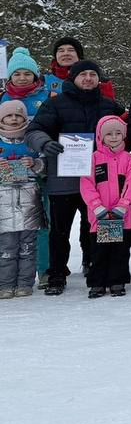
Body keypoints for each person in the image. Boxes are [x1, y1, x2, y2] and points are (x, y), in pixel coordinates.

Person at [26, 59, 125, 295]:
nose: (88, 78)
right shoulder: (55, 104)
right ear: (73, 79)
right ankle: (57, 274)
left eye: (93, 74)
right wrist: (46, 143)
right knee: (60, 230)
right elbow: (33, 131)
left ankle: (97, 268)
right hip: (64, 179)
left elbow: (125, 130)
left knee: (97, 226)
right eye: (83, 75)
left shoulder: (109, 105)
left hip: (100, 181)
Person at [1, 47, 52, 287]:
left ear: (35, 75)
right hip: (8, 173)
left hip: (38, 165)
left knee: (41, 220)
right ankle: (8, 274)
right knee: (9, 225)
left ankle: (44, 270)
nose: (22, 78)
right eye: (17, 74)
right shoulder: (3, 98)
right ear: (10, 76)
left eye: (27, 73)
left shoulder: (44, 97)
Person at [79, 114, 131, 297]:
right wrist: (97, 207)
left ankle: (117, 281)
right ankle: (97, 283)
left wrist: (123, 206)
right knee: (99, 251)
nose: (114, 137)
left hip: (122, 217)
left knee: (120, 251)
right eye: (109, 133)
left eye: (118, 133)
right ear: (101, 136)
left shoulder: (128, 159)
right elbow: (87, 184)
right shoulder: (93, 158)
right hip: (100, 217)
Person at [0, 99, 45, 299]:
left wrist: (34, 163)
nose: (14, 119)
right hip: (4, 198)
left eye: (18, 115)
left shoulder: (31, 139)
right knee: (7, 246)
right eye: (9, 115)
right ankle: (6, 284)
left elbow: (45, 165)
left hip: (28, 195)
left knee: (28, 244)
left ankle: (25, 282)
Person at [45, 37, 116, 100]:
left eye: (71, 50)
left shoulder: (98, 80)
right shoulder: (43, 81)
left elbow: (108, 108)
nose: (65, 53)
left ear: (79, 55)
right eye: (61, 51)